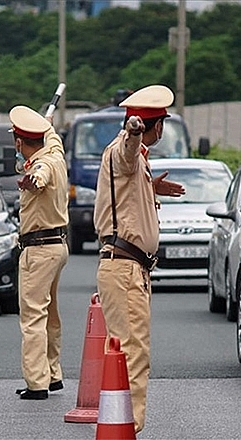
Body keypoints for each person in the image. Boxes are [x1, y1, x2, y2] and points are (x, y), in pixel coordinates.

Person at [93, 84, 185, 433]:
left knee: (123, 349)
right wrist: (133, 132)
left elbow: (129, 176)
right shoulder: (125, 149)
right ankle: (127, 427)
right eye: (161, 123)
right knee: (133, 352)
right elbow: (126, 154)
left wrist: (152, 186)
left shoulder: (138, 163)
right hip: (125, 267)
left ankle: (120, 424)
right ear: (156, 125)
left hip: (129, 268)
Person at [9, 105, 69, 400]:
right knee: (50, 315)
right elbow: (53, 138)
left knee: (32, 316)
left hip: (39, 249)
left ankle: (37, 382)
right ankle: (52, 373)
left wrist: (32, 179)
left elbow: (39, 176)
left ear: (19, 142)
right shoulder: (55, 154)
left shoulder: (41, 165)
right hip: (58, 247)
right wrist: (47, 124)